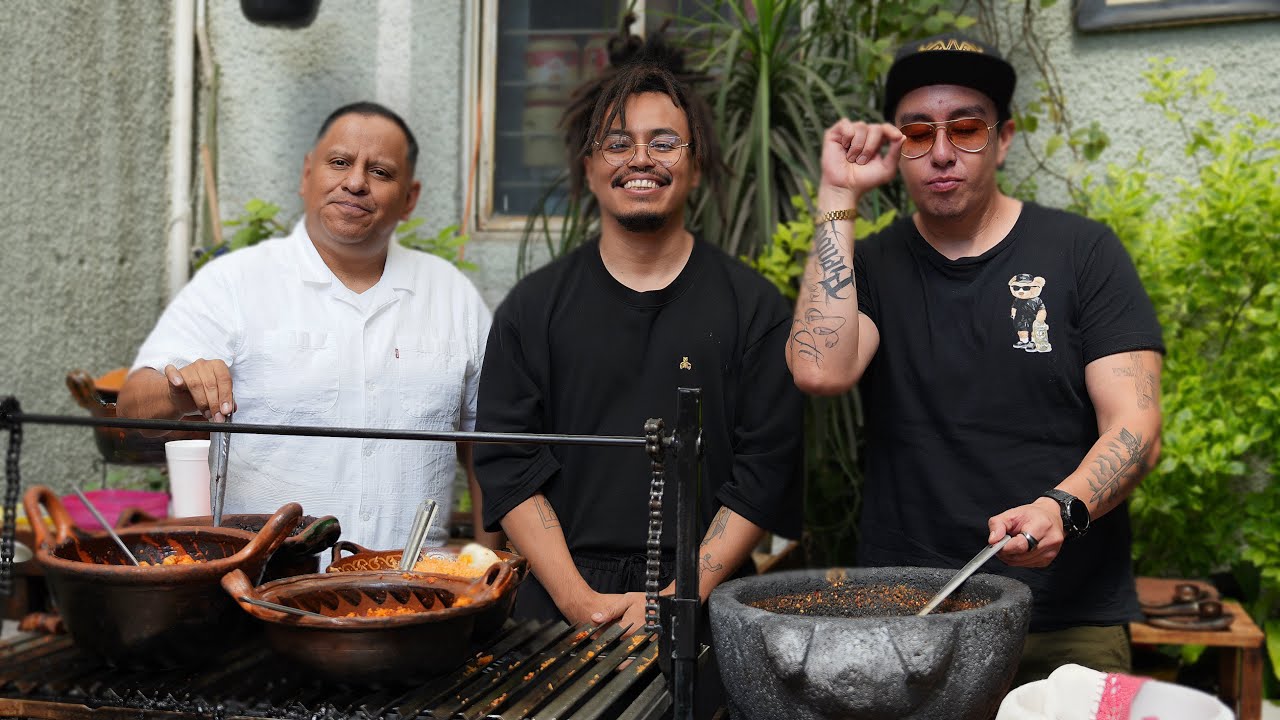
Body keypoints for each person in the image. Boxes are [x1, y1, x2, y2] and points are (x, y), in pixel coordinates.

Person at [787, 33, 1164, 685]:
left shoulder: (1083, 254)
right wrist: (836, 192)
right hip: (912, 618)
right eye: (917, 132)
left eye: (965, 129)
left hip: (1065, 623)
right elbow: (821, 369)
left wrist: (1062, 507)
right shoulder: (871, 265)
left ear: (1004, 138)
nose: (940, 153)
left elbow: (1137, 427)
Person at [474, 38, 803, 633]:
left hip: (709, 602)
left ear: (696, 165)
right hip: (557, 604)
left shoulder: (754, 308)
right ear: (589, 165)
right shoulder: (532, 308)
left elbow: (766, 469)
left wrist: (678, 598)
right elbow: (507, 464)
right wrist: (579, 601)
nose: (640, 159)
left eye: (665, 143)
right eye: (618, 143)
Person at [118, 102, 494, 551]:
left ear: (409, 198)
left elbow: (486, 445)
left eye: (380, 172)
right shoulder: (233, 283)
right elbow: (132, 404)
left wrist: (485, 560)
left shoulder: (451, 294)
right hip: (266, 588)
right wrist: (180, 389)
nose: (355, 182)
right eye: (339, 163)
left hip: (411, 590)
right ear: (306, 175)